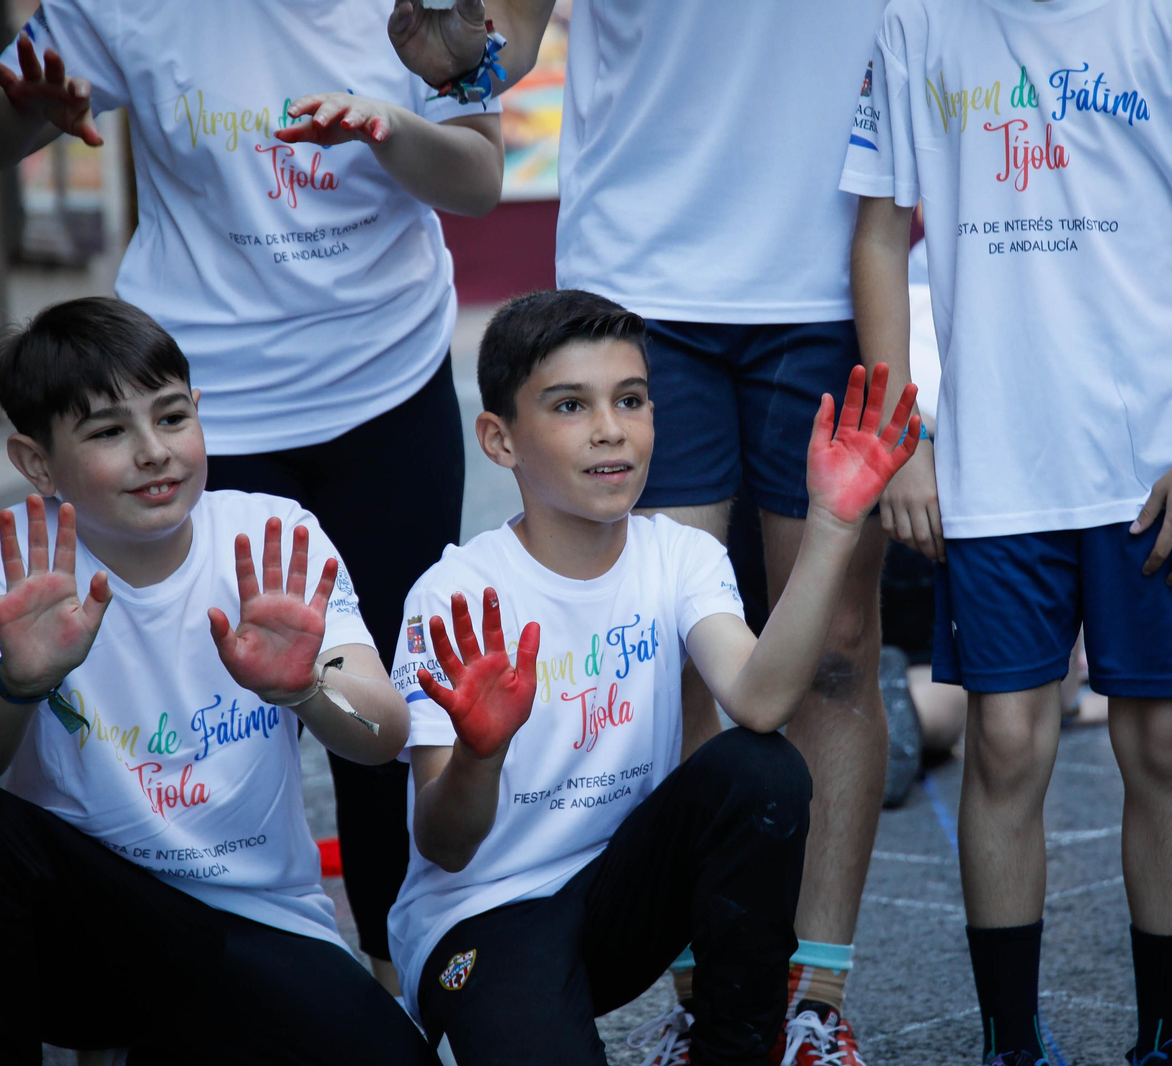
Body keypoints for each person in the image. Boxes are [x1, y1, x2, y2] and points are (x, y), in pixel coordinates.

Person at [0, 0, 503, 992]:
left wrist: (393, 126)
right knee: (208, 698)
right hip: (202, 408)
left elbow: (479, 181)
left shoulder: (409, 10)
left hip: (385, 382)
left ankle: (392, 969)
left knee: (378, 693)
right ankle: (174, 967)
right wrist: (28, 112)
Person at [386, 5, 906, 1057]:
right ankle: (697, 1002)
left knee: (839, 661)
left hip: (821, 256)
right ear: (499, 434)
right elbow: (502, 41)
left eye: (614, 414)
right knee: (680, 659)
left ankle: (811, 1002)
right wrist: (459, 55)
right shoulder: (453, 588)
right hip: (645, 263)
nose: (605, 435)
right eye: (576, 415)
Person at [842, 0, 1172, 1061]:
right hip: (996, 457)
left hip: (1154, 465)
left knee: (1165, 741)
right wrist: (901, 440)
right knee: (1004, 745)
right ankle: (1011, 1042)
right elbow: (877, 232)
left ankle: (1166, 1038)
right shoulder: (917, 23)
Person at [0, 297, 431, 1063]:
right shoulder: (21, 561)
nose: (153, 451)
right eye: (106, 432)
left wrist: (303, 691)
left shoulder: (273, 535)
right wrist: (16, 683)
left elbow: (383, 736)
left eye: (170, 418)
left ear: (199, 412)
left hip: (256, 921)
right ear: (37, 463)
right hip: (95, 929)